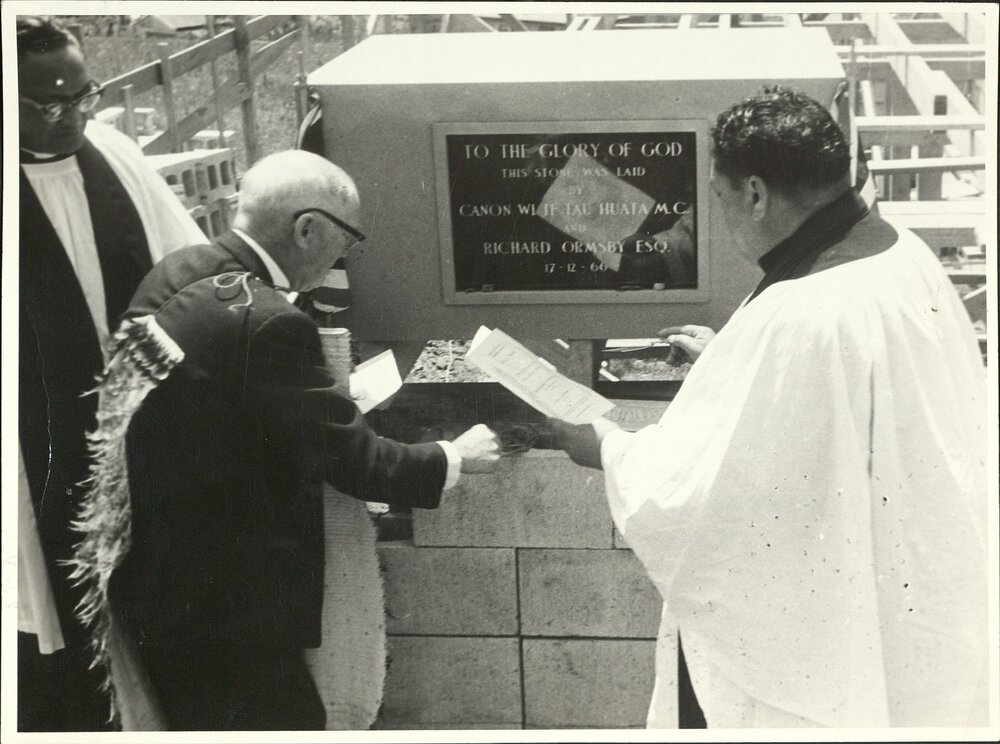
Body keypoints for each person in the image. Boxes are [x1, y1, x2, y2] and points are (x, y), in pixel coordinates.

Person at [550, 87, 988, 728]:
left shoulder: (799, 314)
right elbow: (850, 393)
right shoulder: (901, 252)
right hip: (925, 589)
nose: (718, 215)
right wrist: (736, 360)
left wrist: (606, 449)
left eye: (719, 196)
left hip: (835, 636)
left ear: (755, 194)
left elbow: (711, 504)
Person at [70, 150, 502, 730]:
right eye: (346, 239)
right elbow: (359, 464)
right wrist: (455, 455)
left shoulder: (180, 270)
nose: (344, 255)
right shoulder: (270, 321)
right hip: (227, 612)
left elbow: (223, 406)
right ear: (307, 228)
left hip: (164, 582)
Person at [16, 16, 207, 731]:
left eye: (83, 95)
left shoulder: (115, 154)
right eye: (46, 103)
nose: (71, 116)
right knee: (57, 618)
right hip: (32, 447)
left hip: (142, 427)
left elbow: (189, 266)